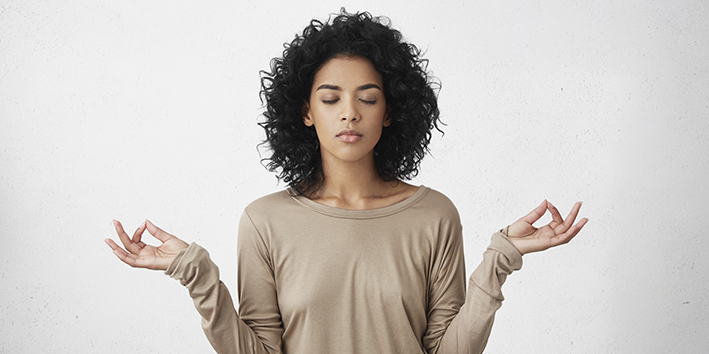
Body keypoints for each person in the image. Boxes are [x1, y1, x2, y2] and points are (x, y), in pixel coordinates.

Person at [105, 10, 588, 354]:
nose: (350, 113)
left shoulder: (434, 215)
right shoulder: (264, 220)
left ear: (392, 109)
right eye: (331, 98)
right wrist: (197, 273)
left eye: (368, 98)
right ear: (306, 112)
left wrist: (500, 259)